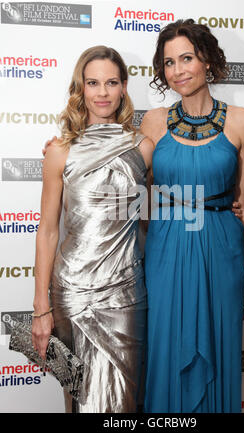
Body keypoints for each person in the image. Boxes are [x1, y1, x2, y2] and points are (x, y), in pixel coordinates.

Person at [140, 19, 244, 413]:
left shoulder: (243, 121)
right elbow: (126, 180)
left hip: (221, 246)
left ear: (206, 60)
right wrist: (68, 149)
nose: (178, 71)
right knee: (166, 347)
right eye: (169, 63)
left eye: (186, 58)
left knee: (220, 345)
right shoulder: (153, 122)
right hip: (166, 247)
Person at [31, 45, 154, 413]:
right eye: (93, 82)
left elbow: (149, 216)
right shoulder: (59, 151)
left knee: (126, 402)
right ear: (80, 89)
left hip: (126, 294)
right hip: (72, 293)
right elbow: (48, 230)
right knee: (79, 400)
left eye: (111, 82)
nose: (102, 92)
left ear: (124, 87)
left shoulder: (143, 147)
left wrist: (213, 205)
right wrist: (41, 307)